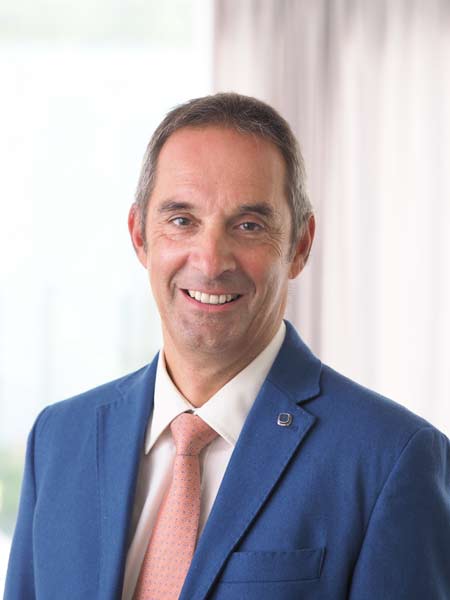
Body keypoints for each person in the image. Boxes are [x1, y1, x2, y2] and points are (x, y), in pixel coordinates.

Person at [5, 93, 450, 600]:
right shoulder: (58, 440)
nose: (211, 260)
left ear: (300, 246)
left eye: (248, 226)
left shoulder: (391, 459)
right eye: (182, 220)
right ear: (139, 236)